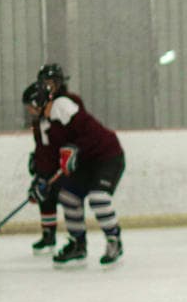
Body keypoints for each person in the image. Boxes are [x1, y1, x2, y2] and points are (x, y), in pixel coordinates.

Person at [33, 64, 126, 266]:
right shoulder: (42, 121)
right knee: (68, 196)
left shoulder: (65, 104)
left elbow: (90, 133)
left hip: (106, 156)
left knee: (98, 198)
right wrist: (42, 178)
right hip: (85, 162)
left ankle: (114, 240)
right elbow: (47, 153)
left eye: (51, 83)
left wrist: (75, 147)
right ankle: (78, 244)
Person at [22, 81, 60, 254]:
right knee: (45, 196)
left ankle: (78, 241)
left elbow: (53, 149)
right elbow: (42, 148)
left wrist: (44, 174)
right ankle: (48, 235)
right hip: (49, 165)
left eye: (30, 106)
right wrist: (37, 163)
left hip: (61, 165)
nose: (29, 110)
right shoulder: (39, 122)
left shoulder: (53, 119)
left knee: (60, 196)